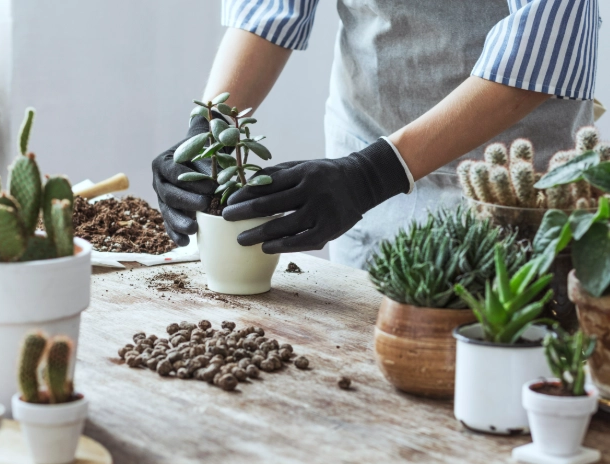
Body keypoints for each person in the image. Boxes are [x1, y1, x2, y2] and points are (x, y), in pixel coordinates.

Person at [152, 0, 599, 268]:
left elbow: (551, 35)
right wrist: (210, 127)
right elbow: (271, 7)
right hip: (364, 152)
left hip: (511, 183)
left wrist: (372, 174)